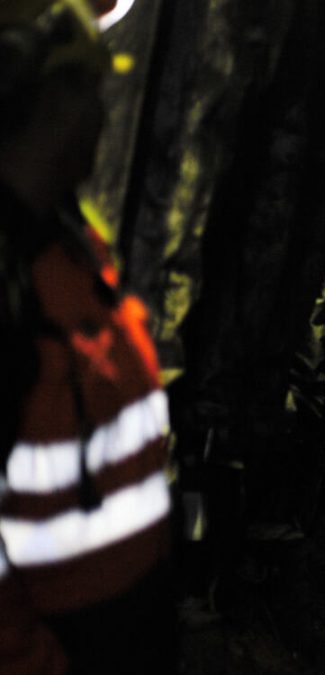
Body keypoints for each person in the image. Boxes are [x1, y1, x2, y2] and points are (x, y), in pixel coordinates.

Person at [1, 1, 175, 672]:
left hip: (119, 628)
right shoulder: (13, 282)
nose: (103, 115)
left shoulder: (67, 246)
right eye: (90, 92)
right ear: (48, 102)